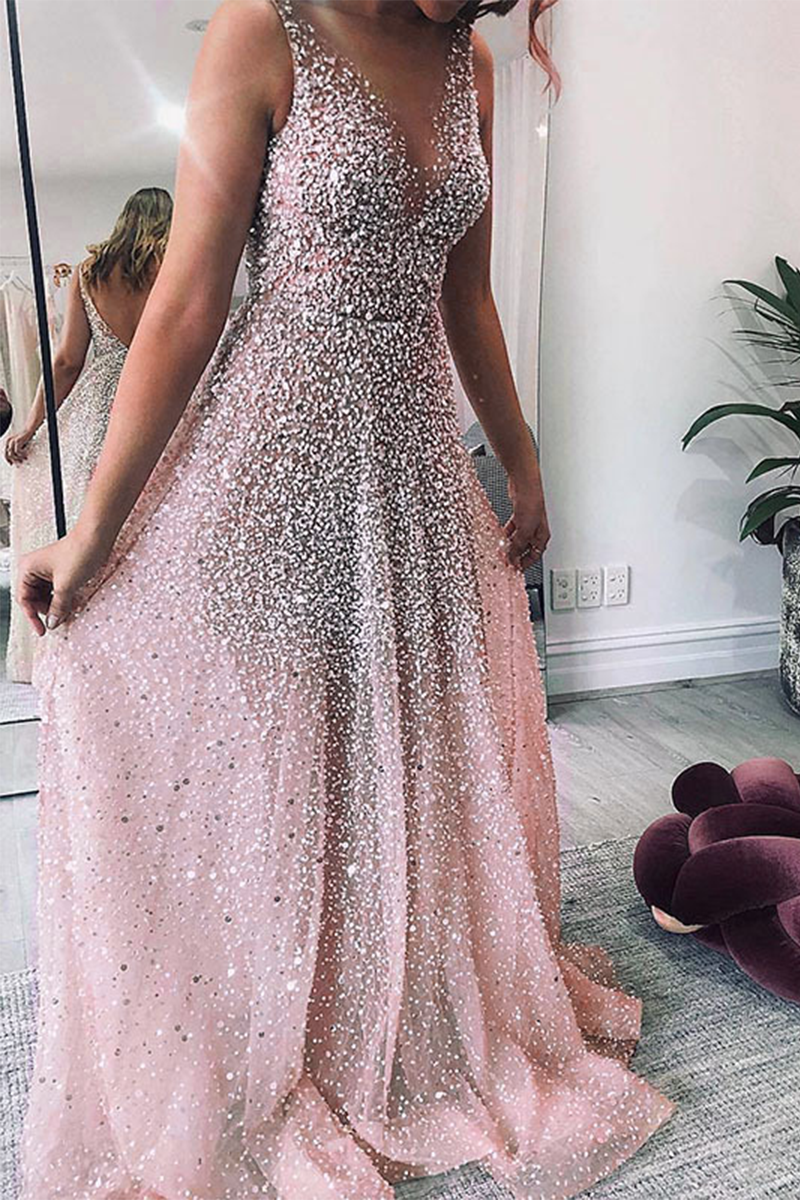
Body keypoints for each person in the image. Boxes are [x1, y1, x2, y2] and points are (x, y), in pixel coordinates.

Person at [16, 0, 675, 1197]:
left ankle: (382, 1003)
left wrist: (521, 462)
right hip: (272, 461)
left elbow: (466, 298)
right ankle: (270, 1018)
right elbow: (187, 301)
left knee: (407, 754)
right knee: (275, 749)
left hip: (413, 472)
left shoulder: (471, 64)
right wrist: (96, 527)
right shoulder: (263, 29)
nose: (476, 5)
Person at [4, 187, 173, 680]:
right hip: (161, 391)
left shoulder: (90, 272)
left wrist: (31, 426)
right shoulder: (173, 266)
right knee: (154, 518)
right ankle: (151, 645)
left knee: (89, 516)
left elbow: (66, 362)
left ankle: (86, 646)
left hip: (101, 403)